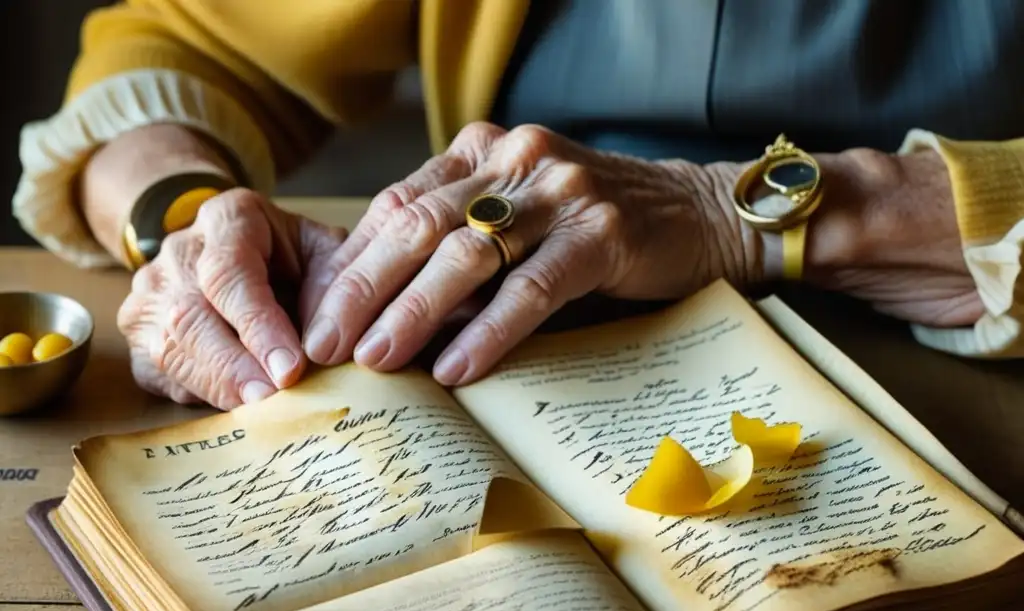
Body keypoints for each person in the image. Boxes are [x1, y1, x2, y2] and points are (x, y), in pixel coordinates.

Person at [12, 0, 1024, 412]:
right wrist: (190, 221)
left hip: (953, 361)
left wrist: (730, 213)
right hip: (503, 366)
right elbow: (189, 44)